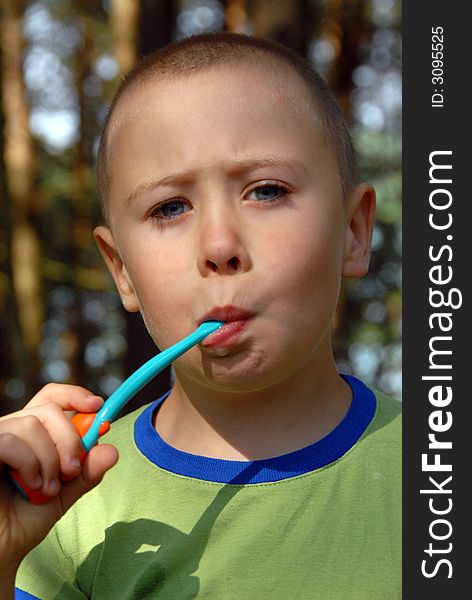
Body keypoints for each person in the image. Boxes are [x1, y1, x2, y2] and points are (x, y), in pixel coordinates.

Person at [0, 33, 401, 599]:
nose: (219, 245)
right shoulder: (63, 516)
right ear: (121, 271)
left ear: (354, 233)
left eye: (265, 191)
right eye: (170, 207)